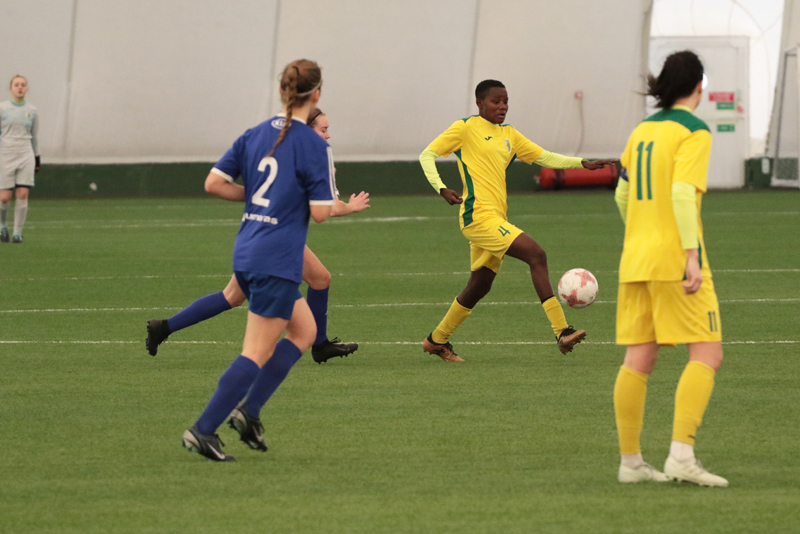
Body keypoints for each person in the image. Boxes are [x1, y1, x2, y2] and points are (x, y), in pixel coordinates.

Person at [182, 59, 335, 461]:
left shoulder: (254, 133)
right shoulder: (313, 145)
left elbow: (213, 183)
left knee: (304, 331)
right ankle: (203, 429)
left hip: (248, 250)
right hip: (277, 259)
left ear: (283, 91)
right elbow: (320, 212)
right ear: (316, 94)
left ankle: (249, 412)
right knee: (256, 352)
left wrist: (254, 198)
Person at [146, 108, 368, 364]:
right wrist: (349, 206)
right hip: (276, 238)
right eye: (323, 130)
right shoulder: (311, 158)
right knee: (292, 310)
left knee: (239, 295)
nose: (328, 136)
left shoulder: (277, 148)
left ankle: (164, 327)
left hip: (257, 232)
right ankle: (308, 347)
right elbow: (327, 209)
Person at [418, 79, 615, 361]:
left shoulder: (509, 134)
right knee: (536, 254)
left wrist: (582, 163)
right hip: (477, 217)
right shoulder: (465, 128)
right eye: (496, 101)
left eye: (506, 101)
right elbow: (427, 155)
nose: (502, 106)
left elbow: (544, 156)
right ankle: (561, 331)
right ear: (480, 103)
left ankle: (436, 340)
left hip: (495, 217)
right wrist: (440, 187)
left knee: (480, 285)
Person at [612, 50, 728, 486]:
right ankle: (682, 455)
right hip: (674, 259)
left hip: (636, 258)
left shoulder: (641, 130)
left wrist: (643, 235)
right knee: (708, 353)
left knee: (638, 358)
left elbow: (622, 196)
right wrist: (690, 256)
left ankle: (631, 463)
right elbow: (682, 193)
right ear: (700, 86)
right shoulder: (693, 130)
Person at [0, 75, 40, 244]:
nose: (20, 87)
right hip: (5, 154)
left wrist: (37, 158)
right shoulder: (2, 108)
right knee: (4, 198)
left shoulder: (32, 110)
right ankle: (2, 226)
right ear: (10, 88)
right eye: (16, 85)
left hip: (25, 155)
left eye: (23, 84)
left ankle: (17, 233)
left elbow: (34, 136)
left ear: (27, 88)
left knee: (22, 193)